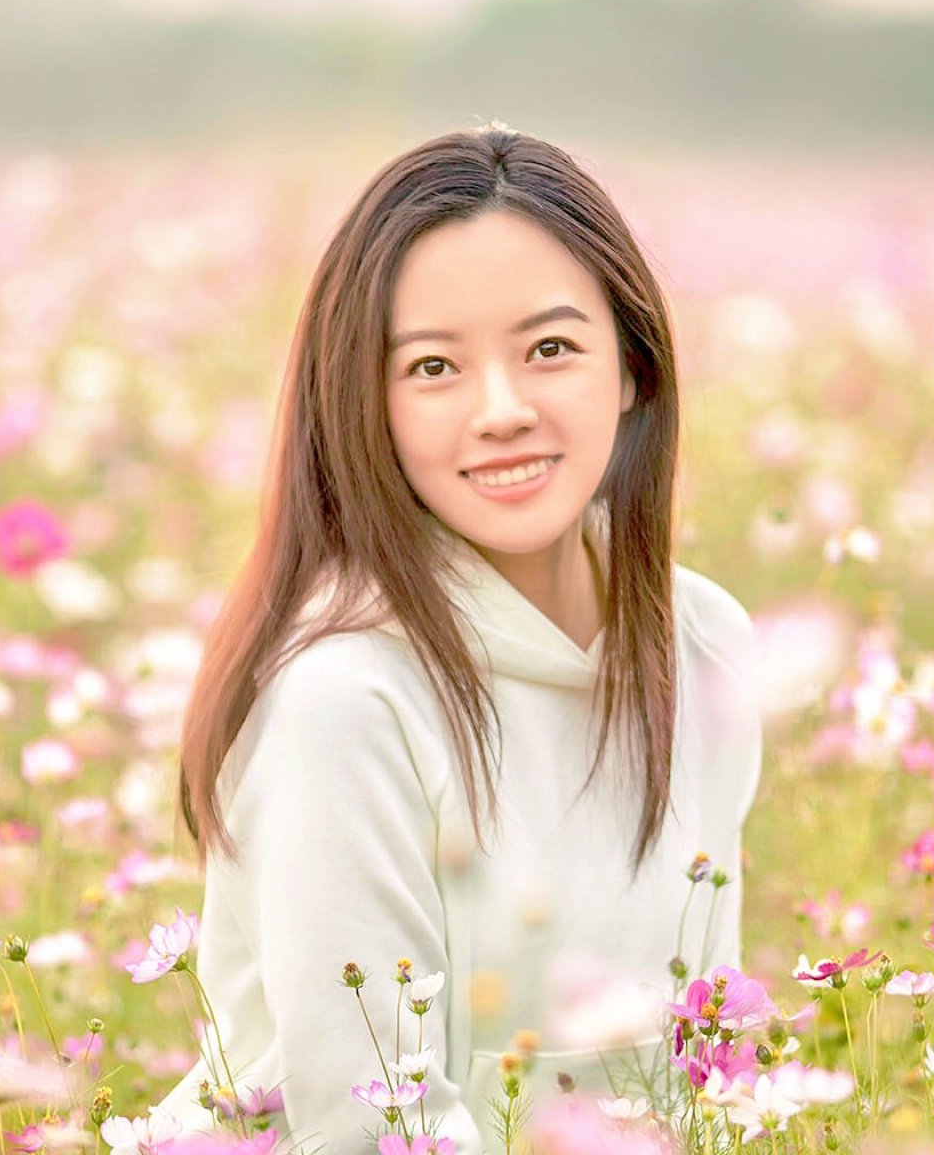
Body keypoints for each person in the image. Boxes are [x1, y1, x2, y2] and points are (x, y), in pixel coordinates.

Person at [158, 123, 762, 1154]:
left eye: (551, 349)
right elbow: (373, 1127)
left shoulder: (702, 641)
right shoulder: (345, 700)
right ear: (367, 407)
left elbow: (702, 1053)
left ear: (631, 369)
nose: (501, 410)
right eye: (434, 367)